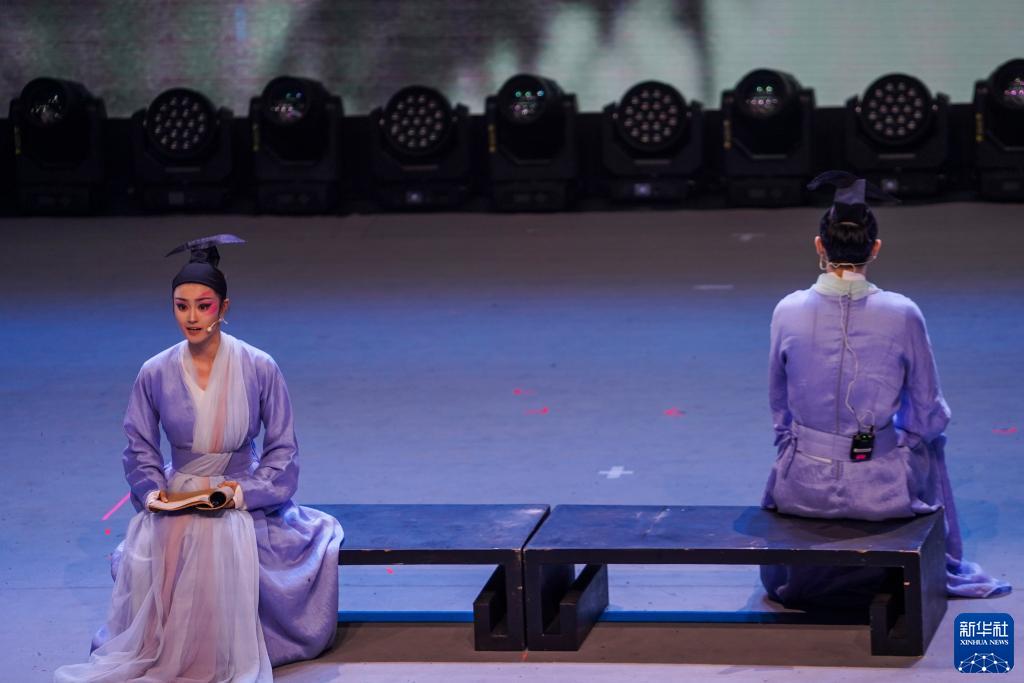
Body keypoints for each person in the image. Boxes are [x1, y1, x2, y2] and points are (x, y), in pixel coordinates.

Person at [55, 234, 344, 682]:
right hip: (180, 490)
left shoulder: (259, 366)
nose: (191, 317)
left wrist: (241, 493)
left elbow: (283, 449)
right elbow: (139, 444)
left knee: (221, 535)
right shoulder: (155, 371)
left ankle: (226, 650)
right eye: (181, 306)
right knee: (170, 537)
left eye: (203, 306)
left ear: (224, 307)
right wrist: (153, 492)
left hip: (242, 491)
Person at [760, 171, 1010, 607]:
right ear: (874, 248)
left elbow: (779, 408)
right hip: (881, 489)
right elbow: (929, 412)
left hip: (802, 486)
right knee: (930, 443)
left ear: (820, 246)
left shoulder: (787, 310)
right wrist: (895, 444)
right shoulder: (902, 313)